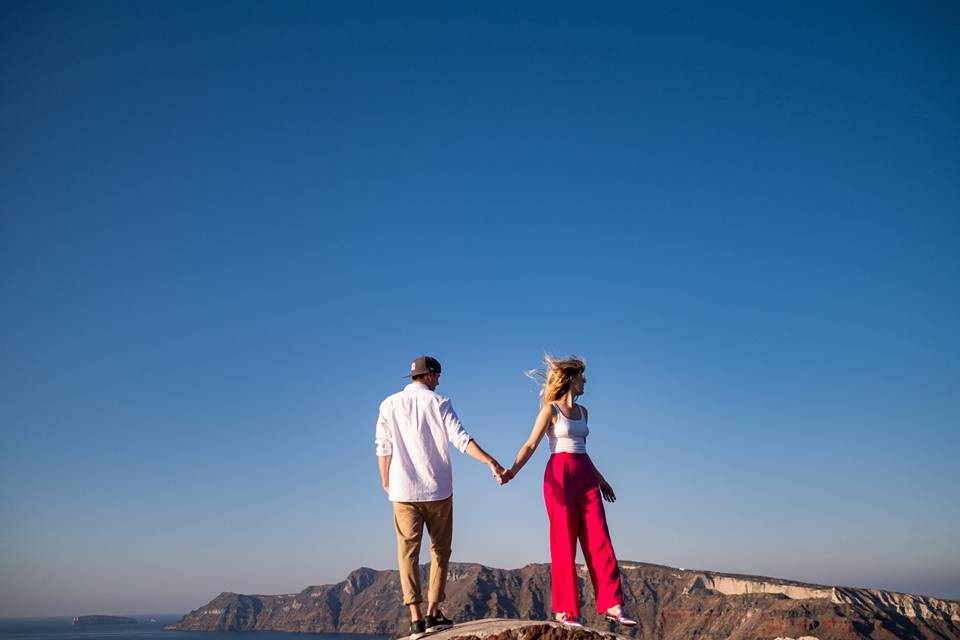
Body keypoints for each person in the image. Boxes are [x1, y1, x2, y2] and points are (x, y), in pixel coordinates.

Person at [376, 355, 508, 640]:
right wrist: (490, 462)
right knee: (440, 551)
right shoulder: (439, 403)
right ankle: (433, 613)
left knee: (407, 554)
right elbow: (461, 439)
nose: (439, 381)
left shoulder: (388, 404)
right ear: (431, 375)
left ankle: (414, 619)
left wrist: (386, 481)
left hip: (403, 491)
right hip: (438, 490)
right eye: (438, 376)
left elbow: (383, 446)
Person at [504, 356, 637, 628]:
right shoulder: (550, 411)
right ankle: (565, 611)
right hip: (559, 474)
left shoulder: (584, 412)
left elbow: (583, 450)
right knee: (564, 541)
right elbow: (530, 445)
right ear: (571, 379)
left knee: (600, 538)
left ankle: (613, 605)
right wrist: (512, 471)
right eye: (582, 378)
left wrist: (601, 480)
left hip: (585, 473)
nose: (585, 382)